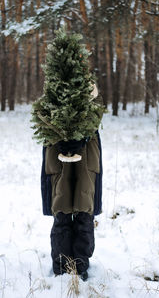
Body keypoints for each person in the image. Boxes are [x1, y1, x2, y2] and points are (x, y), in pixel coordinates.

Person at [40, 86, 103, 281]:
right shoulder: (55, 83)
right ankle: (61, 267)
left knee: (84, 207)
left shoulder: (87, 84)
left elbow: (97, 110)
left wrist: (82, 135)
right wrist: (60, 136)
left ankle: (80, 266)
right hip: (57, 152)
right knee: (62, 206)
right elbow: (41, 113)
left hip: (87, 154)